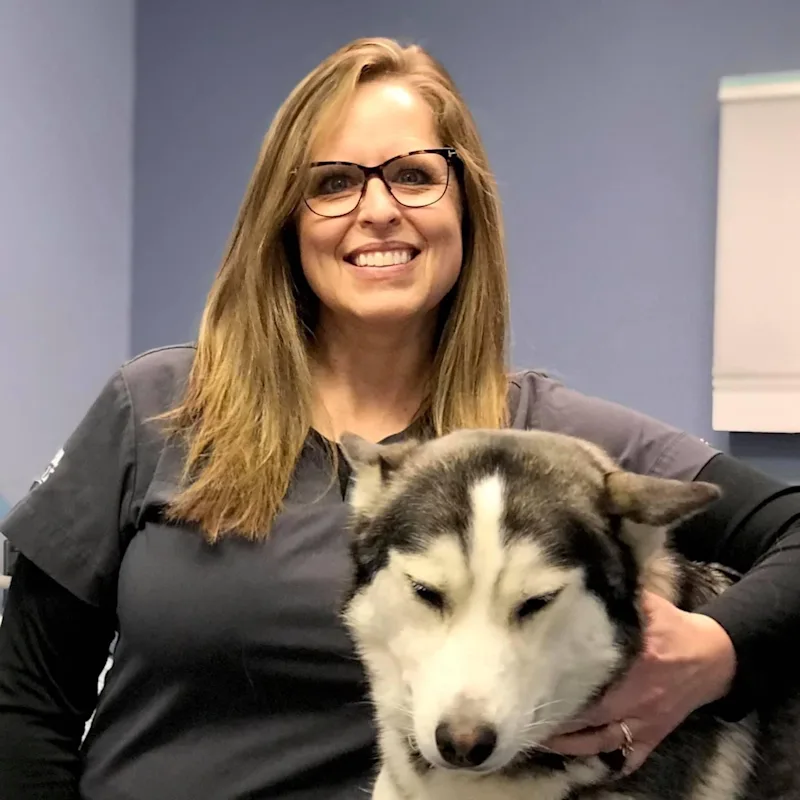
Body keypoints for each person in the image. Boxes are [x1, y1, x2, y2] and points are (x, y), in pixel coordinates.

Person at [0, 36, 798, 800]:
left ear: (466, 207)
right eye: (334, 182)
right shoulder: (156, 408)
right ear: (285, 216)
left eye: (415, 175)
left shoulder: (553, 455)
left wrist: (715, 654)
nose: (378, 210)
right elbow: (28, 698)